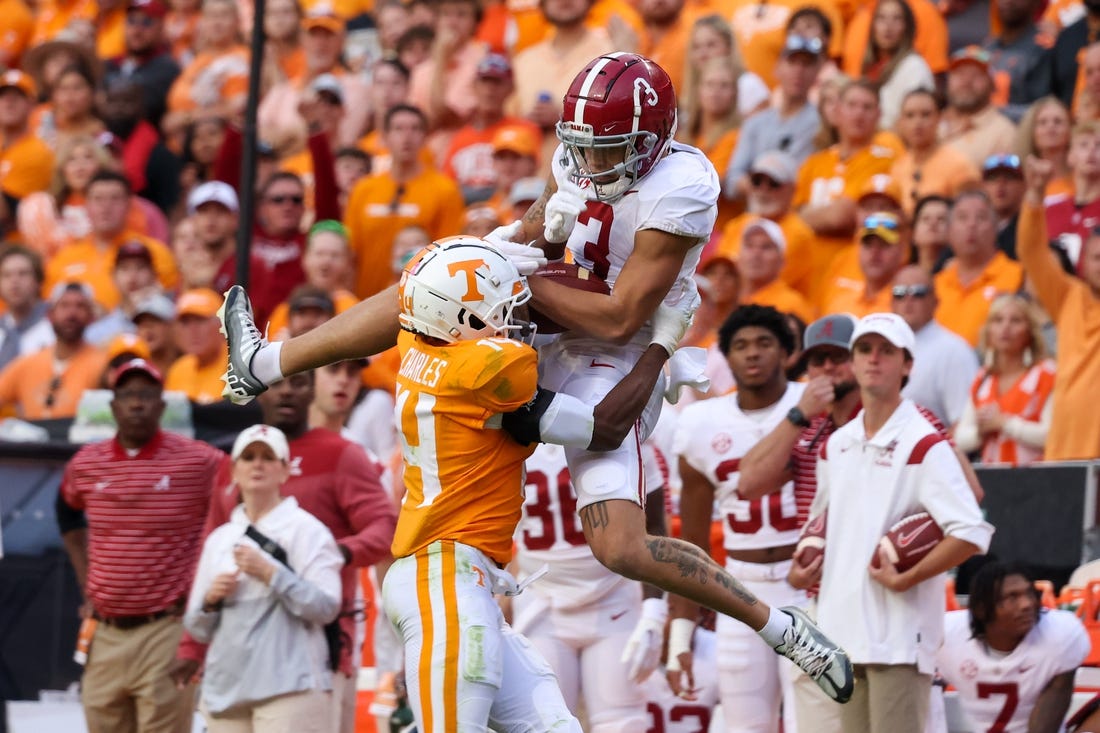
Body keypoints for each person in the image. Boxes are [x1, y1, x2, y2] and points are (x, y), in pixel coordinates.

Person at [218, 55, 856, 708]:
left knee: (621, 546)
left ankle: (778, 626)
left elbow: (616, 318)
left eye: (607, 152)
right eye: (579, 149)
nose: (590, 165)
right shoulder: (484, 342)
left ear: (651, 140)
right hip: (550, 333)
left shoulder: (682, 184)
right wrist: (502, 247)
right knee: (430, 278)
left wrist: (605, 320)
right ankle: (266, 362)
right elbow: (538, 230)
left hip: (615, 343)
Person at [788, 312, 993, 733]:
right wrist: (802, 565)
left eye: (886, 351)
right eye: (864, 349)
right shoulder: (836, 445)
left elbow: (972, 531)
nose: (874, 359)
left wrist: (909, 576)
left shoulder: (924, 441)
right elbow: (822, 525)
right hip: (842, 633)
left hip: (898, 637)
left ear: (908, 365)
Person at [56, 357, 230, 733]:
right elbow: (66, 513)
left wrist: (203, 584)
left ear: (162, 405)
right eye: (128, 394)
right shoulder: (86, 463)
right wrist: (87, 578)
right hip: (104, 628)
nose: (137, 403)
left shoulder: (199, 461)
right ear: (113, 405)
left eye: (147, 394)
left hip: (164, 626)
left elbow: (239, 503)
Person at [671, 305, 806, 732]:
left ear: (787, 352)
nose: (753, 354)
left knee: (816, 721)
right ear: (726, 358)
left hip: (808, 584)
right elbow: (690, 544)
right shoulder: (700, 422)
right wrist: (680, 631)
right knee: (745, 723)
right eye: (741, 345)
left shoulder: (814, 405)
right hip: (742, 589)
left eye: (765, 343)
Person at [184, 424, 343, 731]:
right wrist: (211, 601)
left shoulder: (308, 531)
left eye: (268, 457)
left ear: (285, 470)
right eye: (249, 456)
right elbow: (196, 627)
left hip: (291, 688)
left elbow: (326, 608)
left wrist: (272, 573)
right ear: (233, 470)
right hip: (225, 691)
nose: (257, 464)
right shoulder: (219, 540)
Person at [936, 562, 1089, 732]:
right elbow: (922, 705)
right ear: (981, 609)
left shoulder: (1060, 634)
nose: (1027, 604)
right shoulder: (946, 634)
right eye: (1012, 597)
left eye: (1030, 593)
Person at [1017, 155, 1100, 461]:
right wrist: (1036, 193)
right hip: (1067, 451)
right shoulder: (1068, 296)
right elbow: (1031, 250)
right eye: (1097, 258)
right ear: (1082, 263)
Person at [954, 293, 1056, 465]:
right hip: (994, 479)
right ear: (988, 330)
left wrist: (1004, 424)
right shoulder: (984, 377)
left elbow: (1052, 435)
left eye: (1016, 320)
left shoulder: (1047, 373)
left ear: (1030, 330)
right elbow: (960, 438)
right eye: (998, 320)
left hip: (1039, 479)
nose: (1005, 327)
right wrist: (979, 432)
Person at [725, 34, 823, 202]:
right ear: (778, 68)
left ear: (816, 73)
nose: (798, 71)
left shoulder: (823, 125)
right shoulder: (755, 123)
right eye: (792, 62)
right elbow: (732, 181)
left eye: (806, 64)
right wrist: (763, 187)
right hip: (756, 215)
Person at [0, 282, 106, 419]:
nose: (71, 314)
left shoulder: (102, 364)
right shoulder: (28, 363)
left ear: (91, 317)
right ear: (49, 315)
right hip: (32, 439)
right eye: (64, 305)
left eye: (80, 306)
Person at [933, 189, 1025, 346]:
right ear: (948, 231)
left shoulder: (1018, 275)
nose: (972, 224)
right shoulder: (935, 284)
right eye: (962, 218)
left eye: (981, 217)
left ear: (996, 229)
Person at [893, 265, 979, 429]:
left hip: (929, 451)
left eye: (918, 292)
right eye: (900, 293)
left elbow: (963, 426)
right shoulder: (878, 348)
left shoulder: (954, 351)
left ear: (935, 301)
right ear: (891, 301)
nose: (908, 300)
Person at [891, 89, 980, 214]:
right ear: (901, 122)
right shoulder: (898, 167)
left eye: (926, 115)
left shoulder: (959, 165)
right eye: (910, 115)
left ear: (939, 118)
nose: (918, 123)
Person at [939, 47, 1018, 171]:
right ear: (947, 81)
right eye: (959, 74)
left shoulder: (1004, 134)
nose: (966, 81)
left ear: (992, 84)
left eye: (976, 75)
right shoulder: (930, 121)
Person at [103, 0, 180, 128]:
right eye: (131, 21)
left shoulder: (167, 68)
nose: (137, 30)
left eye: (146, 22)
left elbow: (145, 107)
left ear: (161, 27)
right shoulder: (110, 64)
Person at [859, 0, 933, 129]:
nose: (888, 26)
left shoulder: (915, 68)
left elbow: (916, 124)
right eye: (881, 18)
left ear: (908, 27)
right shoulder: (871, 66)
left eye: (897, 19)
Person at [820, 212, 908, 319]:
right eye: (868, 244)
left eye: (884, 244)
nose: (875, 252)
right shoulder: (839, 305)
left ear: (902, 252)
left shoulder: (907, 306)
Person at [984, 0, 1054, 123]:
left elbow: (1040, 109)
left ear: (1036, 4)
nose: (1008, 2)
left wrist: (988, 113)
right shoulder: (989, 46)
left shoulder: (1043, 48)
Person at [165, 288, 228, 404]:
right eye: (185, 323)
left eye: (200, 321)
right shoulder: (178, 370)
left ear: (221, 324)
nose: (193, 330)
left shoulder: (239, 367)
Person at [0, 245, 54, 372]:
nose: (14, 281)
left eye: (23, 273)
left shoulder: (57, 324)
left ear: (38, 281)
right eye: (6, 275)